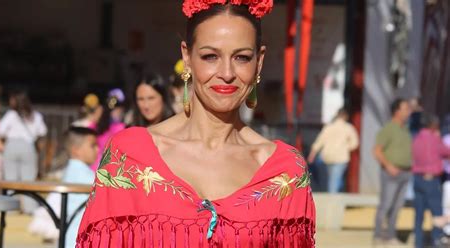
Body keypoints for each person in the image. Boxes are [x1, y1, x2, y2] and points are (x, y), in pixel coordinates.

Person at [76, 2, 315, 247]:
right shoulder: (129, 157)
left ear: (259, 62)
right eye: (210, 56)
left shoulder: (285, 171)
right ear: (187, 57)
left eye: (242, 57)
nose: (227, 73)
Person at [28, 126, 98, 247]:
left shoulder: (72, 171)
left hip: (70, 237)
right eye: (93, 145)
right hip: (82, 238)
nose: (97, 149)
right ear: (76, 150)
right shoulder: (84, 175)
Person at [0, 90, 47, 214]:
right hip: (28, 146)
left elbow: (0, 130)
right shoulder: (35, 115)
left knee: (10, 178)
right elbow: (42, 132)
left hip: (11, 145)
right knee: (28, 179)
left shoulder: (10, 115)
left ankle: (10, 208)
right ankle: (30, 208)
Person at [373, 98, 412, 245]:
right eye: (406, 108)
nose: (408, 112)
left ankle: (390, 236)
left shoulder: (405, 129)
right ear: (397, 111)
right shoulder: (388, 128)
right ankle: (378, 236)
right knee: (386, 205)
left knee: (397, 206)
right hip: (391, 174)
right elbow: (376, 151)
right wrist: (389, 166)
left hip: (405, 173)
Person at [412, 113, 450, 248]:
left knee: (419, 215)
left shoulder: (416, 138)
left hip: (417, 179)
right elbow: (447, 152)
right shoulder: (434, 139)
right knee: (437, 214)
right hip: (431, 180)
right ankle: (436, 242)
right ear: (433, 125)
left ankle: (418, 243)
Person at [307, 108, 359, 193]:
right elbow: (355, 144)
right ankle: (333, 200)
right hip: (341, 157)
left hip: (328, 156)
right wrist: (346, 147)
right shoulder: (348, 128)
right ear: (346, 116)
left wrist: (311, 155)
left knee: (333, 178)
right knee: (335, 180)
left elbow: (319, 142)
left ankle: (333, 196)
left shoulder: (328, 127)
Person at [91, 88, 126, 171]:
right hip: (98, 169)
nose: (118, 112)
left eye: (119, 109)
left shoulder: (122, 127)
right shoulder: (96, 127)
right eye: (115, 109)